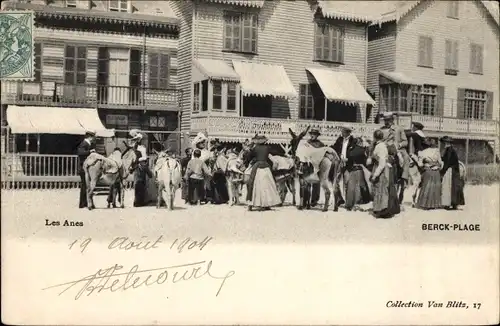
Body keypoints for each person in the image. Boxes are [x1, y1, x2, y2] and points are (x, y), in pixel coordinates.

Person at [244, 134, 281, 211]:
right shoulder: (267, 148)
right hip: (266, 167)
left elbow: (249, 157)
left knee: (253, 184)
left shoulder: (255, 148)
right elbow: (275, 153)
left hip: (257, 167)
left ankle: (251, 204)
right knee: (268, 185)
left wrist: (247, 162)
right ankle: (266, 203)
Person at [369, 130, 400, 218]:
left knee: (382, 189)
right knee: (381, 189)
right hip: (381, 167)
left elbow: (382, 163)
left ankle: (383, 211)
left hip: (381, 169)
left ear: (375, 137)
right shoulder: (381, 145)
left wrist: (375, 175)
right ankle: (381, 210)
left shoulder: (380, 146)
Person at [379, 112, 409, 205]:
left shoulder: (399, 129)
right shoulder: (381, 130)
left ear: (392, 120)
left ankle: (403, 179)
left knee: (405, 159)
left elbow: (405, 141)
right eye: (385, 120)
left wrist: (399, 145)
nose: (386, 122)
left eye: (388, 120)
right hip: (385, 150)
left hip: (398, 150)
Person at [413, 138, 443, 210]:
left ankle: (425, 204)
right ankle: (435, 204)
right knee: (435, 188)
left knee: (426, 187)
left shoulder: (422, 152)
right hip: (436, 171)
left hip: (428, 170)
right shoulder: (437, 151)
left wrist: (416, 159)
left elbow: (420, 165)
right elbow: (440, 162)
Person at [345, 137, 371, 211]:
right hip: (359, 169)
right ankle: (357, 203)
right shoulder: (362, 150)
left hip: (351, 170)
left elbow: (348, 160)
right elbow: (365, 162)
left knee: (351, 187)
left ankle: (349, 204)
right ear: (359, 142)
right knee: (359, 186)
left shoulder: (349, 150)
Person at [332, 126, 355, 206]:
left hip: (348, 164)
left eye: (343, 131)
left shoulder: (353, 141)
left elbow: (355, 152)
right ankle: (339, 199)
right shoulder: (339, 140)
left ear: (347, 132)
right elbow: (334, 148)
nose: (341, 132)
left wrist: (348, 159)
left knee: (347, 182)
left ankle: (348, 202)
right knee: (336, 182)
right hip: (339, 162)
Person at [129, 129, 153, 207]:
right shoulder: (131, 148)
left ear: (139, 140)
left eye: (137, 140)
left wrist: (137, 159)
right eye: (134, 140)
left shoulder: (142, 148)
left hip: (139, 165)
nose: (135, 141)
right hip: (133, 166)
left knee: (141, 183)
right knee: (137, 184)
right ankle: (136, 201)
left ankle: (140, 201)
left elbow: (145, 157)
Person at [440, 136, 465, 210]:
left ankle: (449, 204)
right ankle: (454, 204)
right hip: (454, 170)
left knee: (449, 187)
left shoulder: (449, 150)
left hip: (452, 170)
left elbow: (447, 163)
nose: (443, 144)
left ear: (447, 143)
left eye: (444, 143)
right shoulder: (450, 150)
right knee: (454, 187)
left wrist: (442, 172)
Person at [77, 130, 96, 208]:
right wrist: (90, 151)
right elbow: (80, 153)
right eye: (92, 137)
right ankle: (82, 204)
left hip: (87, 168)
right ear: (89, 137)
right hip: (83, 168)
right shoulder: (84, 143)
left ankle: (85, 203)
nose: (93, 139)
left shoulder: (87, 143)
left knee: (86, 185)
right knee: (84, 186)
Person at [306, 128, 325, 206]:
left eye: (314, 134)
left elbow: (322, 154)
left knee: (316, 183)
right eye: (311, 134)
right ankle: (306, 200)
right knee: (307, 183)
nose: (312, 135)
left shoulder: (320, 144)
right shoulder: (307, 143)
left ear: (317, 135)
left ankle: (314, 200)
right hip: (308, 164)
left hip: (317, 165)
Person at [210, 140, 229, 204]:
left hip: (219, 172)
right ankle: (221, 199)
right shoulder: (220, 157)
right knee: (220, 186)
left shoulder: (220, 157)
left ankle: (220, 199)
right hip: (219, 172)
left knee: (220, 186)